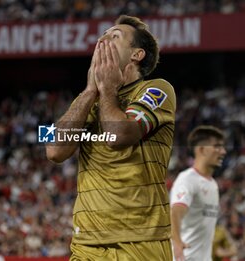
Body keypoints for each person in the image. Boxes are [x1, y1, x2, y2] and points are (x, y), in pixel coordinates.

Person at [46, 15, 176, 260]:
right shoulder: (85, 101)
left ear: (137, 55)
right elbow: (53, 151)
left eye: (114, 36)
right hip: (86, 242)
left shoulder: (157, 89)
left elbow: (118, 136)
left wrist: (106, 89)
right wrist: (89, 91)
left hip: (140, 241)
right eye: (102, 35)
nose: (102, 40)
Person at [170, 126, 227, 261]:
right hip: (186, 258)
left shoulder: (212, 184)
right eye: (217, 147)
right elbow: (175, 213)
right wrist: (177, 244)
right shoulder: (187, 179)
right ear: (202, 149)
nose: (223, 152)